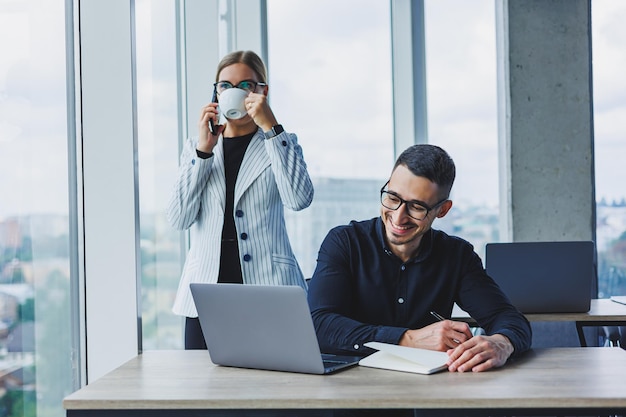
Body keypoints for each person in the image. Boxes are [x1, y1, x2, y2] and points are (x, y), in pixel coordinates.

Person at [307, 144, 531, 372]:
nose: (398, 216)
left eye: (416, 207)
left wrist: (502, 343)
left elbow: (508, 318)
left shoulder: (457, 255)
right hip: (351, 387)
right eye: (393, 198)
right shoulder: (344, 242)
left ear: (442, 210)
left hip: (431, 391)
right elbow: (318, 325)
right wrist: (409, 339)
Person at [167, 50, 313, 349]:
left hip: (269, 287)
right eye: (226, 86)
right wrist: (203, 152)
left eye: (246, 85)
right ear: (216, 92)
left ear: (263, 91)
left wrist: (271, 127)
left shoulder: (281, 142)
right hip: (206, 293)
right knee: (203, 388)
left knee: (269, 388)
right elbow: (178, 218)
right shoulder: (197, 147)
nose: (235, 92)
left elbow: (298, 199)